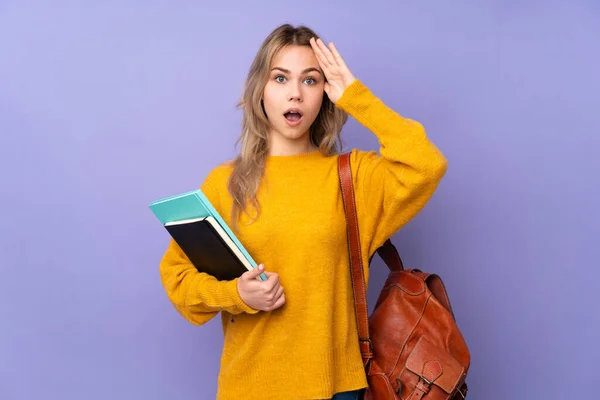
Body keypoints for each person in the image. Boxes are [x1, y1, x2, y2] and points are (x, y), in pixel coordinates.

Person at [158, 23, 448, 400]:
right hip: (249, 387)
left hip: (336, 388)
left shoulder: (353, 179)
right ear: (260, 89)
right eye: (281, 78)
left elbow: (426, 164)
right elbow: (177, 278)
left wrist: (357, 98)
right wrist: (237, 297)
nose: (295, 94)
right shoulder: (225, 183)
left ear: (325, 94)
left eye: (310, 81)